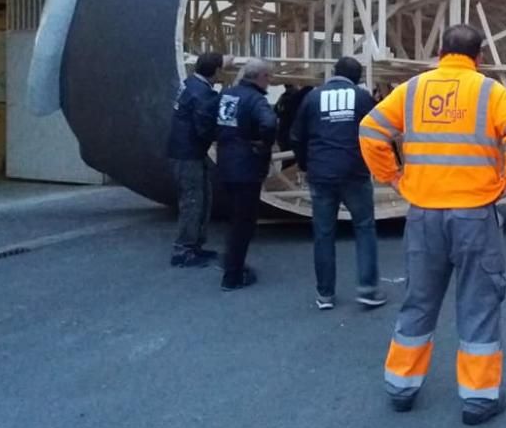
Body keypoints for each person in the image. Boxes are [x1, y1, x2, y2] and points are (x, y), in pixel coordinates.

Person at [359, 24, 506, 426]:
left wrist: (393, 177)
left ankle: (401, 387)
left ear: (440, 51)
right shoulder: (489, 91)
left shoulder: (413, 89)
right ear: (479, 57)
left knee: (418, 300)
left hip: (423, 214)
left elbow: (370, 130)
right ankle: (478, 399)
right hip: (474, 214)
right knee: (478, 303)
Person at [291, 57, 388, 310]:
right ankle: (368, 289)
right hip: (354, 171)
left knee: (324, 234)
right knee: (364, 228)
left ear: (333, 72)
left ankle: (325, 294)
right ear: (357, 77)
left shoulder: (313, 97)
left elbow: (296, 135)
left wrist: (305, 164)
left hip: (321, 172)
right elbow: (379, 132)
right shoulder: (362, 97)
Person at [215, 58, 277, 291]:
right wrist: (263, 144)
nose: (269, 82)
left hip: (226, 163)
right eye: (269, 77)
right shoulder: (256, 99)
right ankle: (233, 275)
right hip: (246, 168)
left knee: (234, 220)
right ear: (260, 77)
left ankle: (231, 263)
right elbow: (269, 123)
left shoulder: (227, 95)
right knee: (244, 222)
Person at [166, 52, 227, 268]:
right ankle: (184, 250)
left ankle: (195, 246)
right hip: (189, 155)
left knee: (203, 199)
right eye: (222, 68)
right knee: (193, 202)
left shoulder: (190, 84)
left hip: (186, 153)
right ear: (217, 71)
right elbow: (204, 129)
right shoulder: (202, 94)